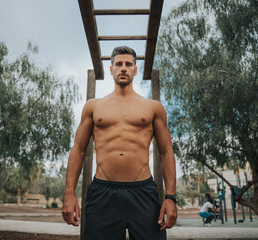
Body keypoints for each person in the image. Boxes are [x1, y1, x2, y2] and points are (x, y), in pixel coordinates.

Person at [62, 46, 177, 240]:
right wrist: (69, 194)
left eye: (128, 64)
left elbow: (166, 151)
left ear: (135, 69)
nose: (123, 68)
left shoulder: (153, 107)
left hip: (143, 192)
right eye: (119, 64)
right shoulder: (93, 106)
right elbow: (79, 150)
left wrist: (171, 197)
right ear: (111, 69)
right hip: (102, 193)